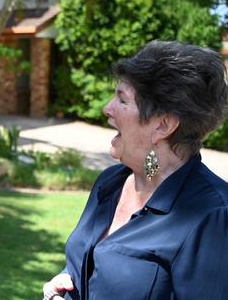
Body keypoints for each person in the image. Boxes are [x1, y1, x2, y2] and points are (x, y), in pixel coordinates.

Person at [42, 40, 228, 300]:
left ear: (163, 125)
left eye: (122, 99)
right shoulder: (110, 183)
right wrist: (64, 284)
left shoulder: (213, 215)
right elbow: (94, 265)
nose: (107, 109)